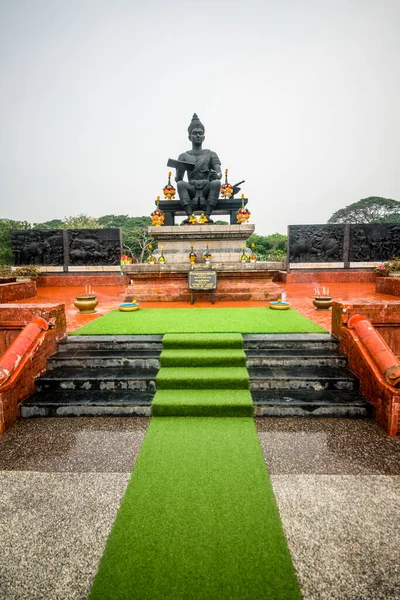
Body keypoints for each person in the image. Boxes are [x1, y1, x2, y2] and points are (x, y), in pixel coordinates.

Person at [174, 114, 222, 223]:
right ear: (189, 137)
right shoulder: (184, 156)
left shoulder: (211, 154)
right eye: (195, 133)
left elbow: (219, 173)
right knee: (181, 184)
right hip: (191, 187)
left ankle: (207, 216)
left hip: (206, 187)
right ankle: (190, 216)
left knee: (216, 183)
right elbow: (178, 179)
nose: (198, 136)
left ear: (204, 137)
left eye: (200, 133)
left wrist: (216, 175)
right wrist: (179, 170)